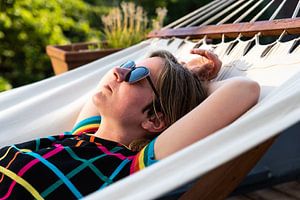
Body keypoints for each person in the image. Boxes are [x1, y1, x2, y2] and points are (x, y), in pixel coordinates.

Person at [0, 49, 260, 199]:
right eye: (127, 66)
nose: (118, 72)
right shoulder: (83, 135)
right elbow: (109, 74)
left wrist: (198, 81)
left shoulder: (126, 168)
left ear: (154, 119)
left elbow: (243, 89)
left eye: (136, 75)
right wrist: (187, 68)